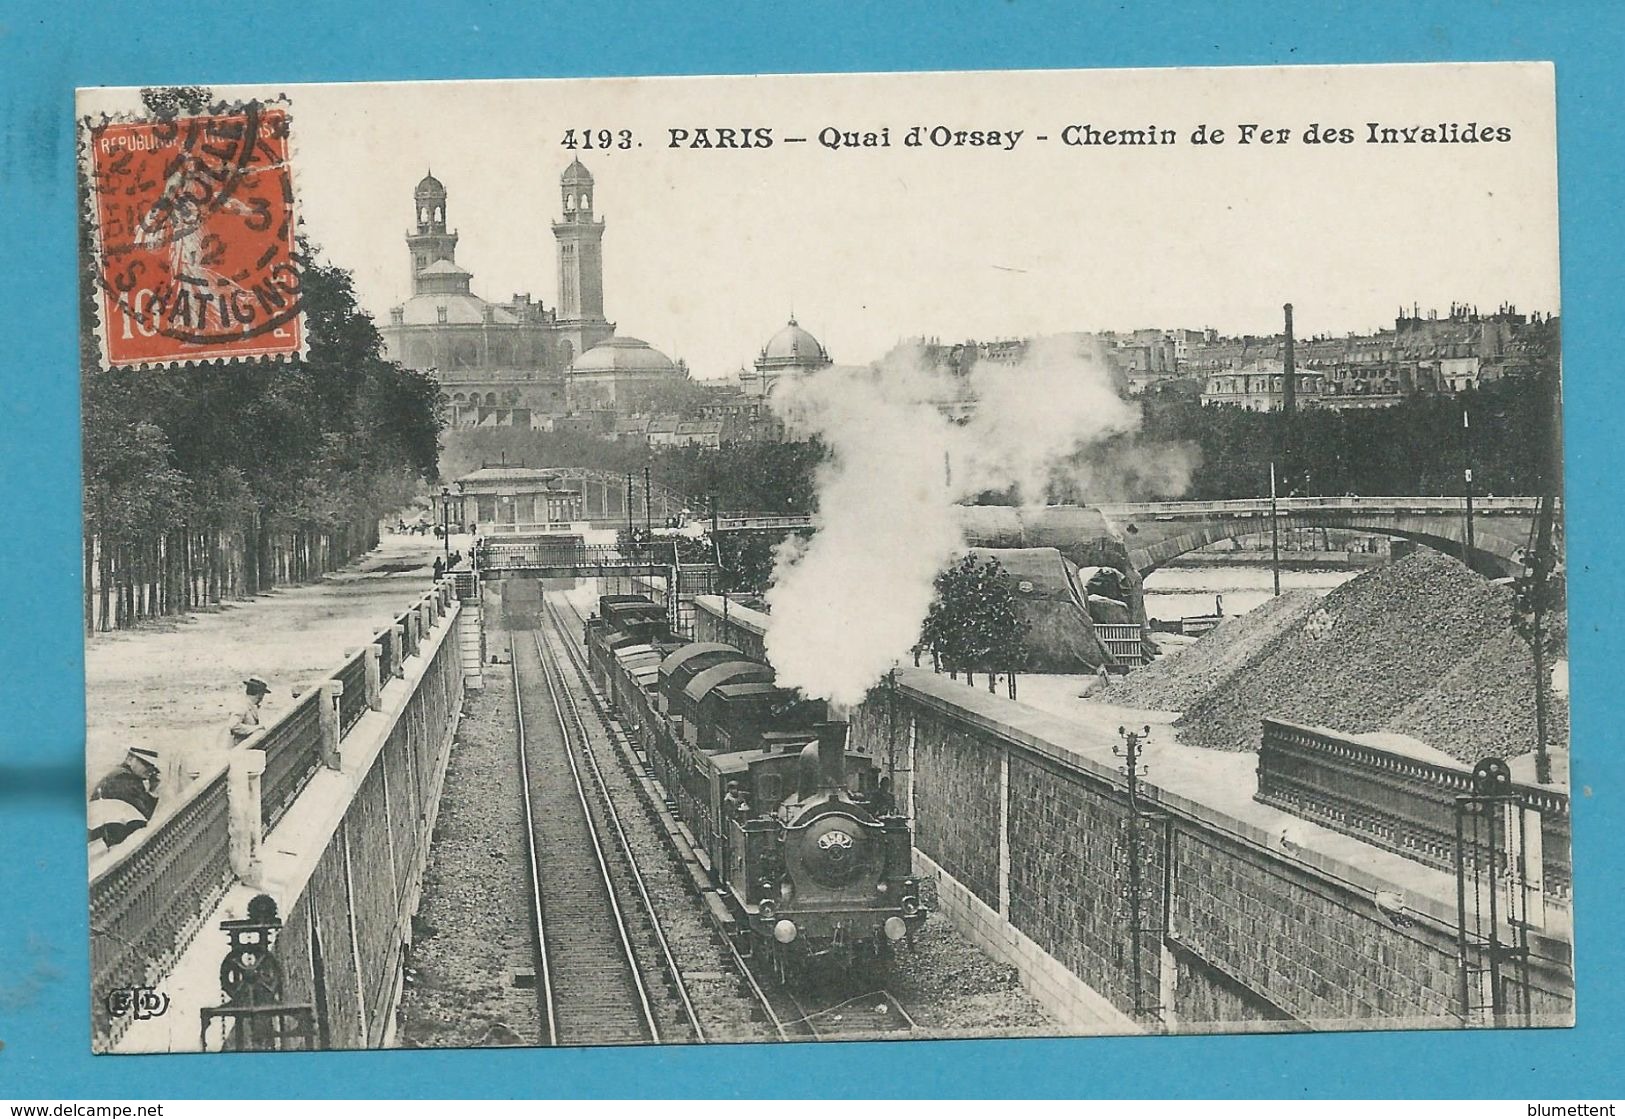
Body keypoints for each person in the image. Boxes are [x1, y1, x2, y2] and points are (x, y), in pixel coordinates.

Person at [89, 746, 161, 848]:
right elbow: (146, 817)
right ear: (130, 759)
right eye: (146, 764)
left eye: (153, 766)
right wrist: (153, 792)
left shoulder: (122, 775)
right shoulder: (123, 778)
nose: (151, 770)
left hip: (107, 836)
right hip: (107, 842)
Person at [228, 676, 272, 747]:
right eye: (262, 694)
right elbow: (234, 726)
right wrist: (256, 728)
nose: (262, 697)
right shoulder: (241, 706)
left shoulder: (251, 706)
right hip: (238, 748)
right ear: (259, 694)